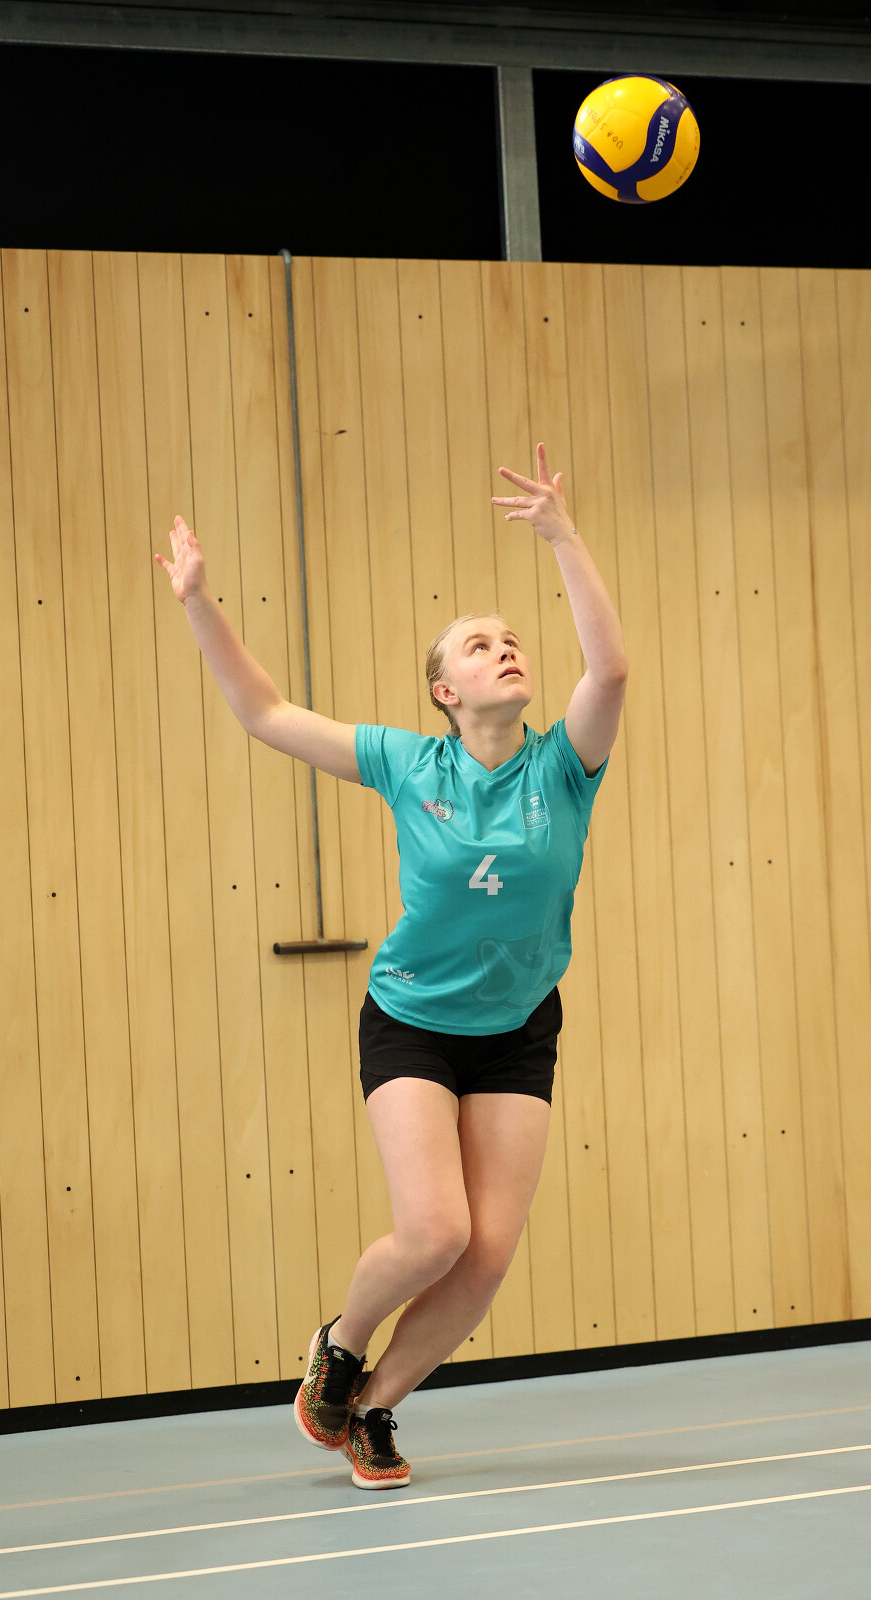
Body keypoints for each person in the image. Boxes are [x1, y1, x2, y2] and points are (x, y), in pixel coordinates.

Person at [156, 442, 629, 1490]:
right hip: (413, 1017)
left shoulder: (565, 765)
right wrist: (197, 603)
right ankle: (340, 1341)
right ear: (445, 690)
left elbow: (609, 670)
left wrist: (561, 536)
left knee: (487, 1254)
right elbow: (265, 713)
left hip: (518, 1025)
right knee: (434, 1231)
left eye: (512, 640)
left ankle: (373, 1407)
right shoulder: (409, 763)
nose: (505, 650)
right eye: (479, 645)